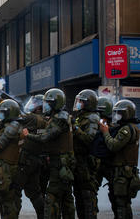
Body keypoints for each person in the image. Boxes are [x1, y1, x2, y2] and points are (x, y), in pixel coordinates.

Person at [22, 88, 75, 219]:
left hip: (60, 163)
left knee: (51, 199)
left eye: (48, 103)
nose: (44, 105)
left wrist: (28, 135)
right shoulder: (58, 117)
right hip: (61, 162)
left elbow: (45, 138)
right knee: (66, 197)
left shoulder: (59, 119)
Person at [99, 99, 140, 219]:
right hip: (126, 171)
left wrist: (105, 132)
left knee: (121, 204)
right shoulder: (133, 127)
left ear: (126, 114)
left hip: (123, 173)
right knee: (123, 203)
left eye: (119, 113)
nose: (116, 116)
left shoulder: (126, 130)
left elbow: (113, 146)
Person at [17, 94, 47, 219]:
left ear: (39, 107)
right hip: (36, 160)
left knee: (14, 191)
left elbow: (16, 118)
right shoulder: (45, 119)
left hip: (26, 161)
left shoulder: (33, 118)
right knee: (34, 192)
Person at [72, 89, 100, 219]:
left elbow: (88, 139)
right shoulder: (81, 116)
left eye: (81, 102)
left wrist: (75, 128)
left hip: (87, 162)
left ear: (88, 103)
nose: (78, 103)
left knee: (87, 196)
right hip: (79, 161)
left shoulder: (92, 118)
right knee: (78, 195)